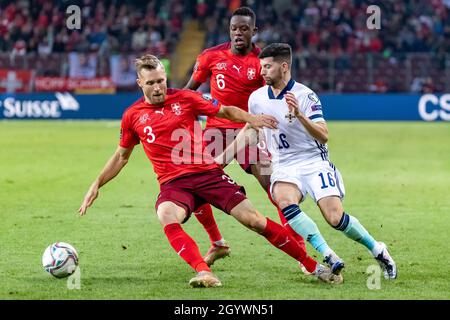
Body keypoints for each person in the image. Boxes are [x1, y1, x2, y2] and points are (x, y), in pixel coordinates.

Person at [78, 54, 341, 287]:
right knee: (166, 214)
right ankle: (203, 272)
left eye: (161, 80)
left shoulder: (186, 98)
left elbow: (225, 110)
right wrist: (96, 184)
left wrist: (252, 119)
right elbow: (121, 157)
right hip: (174, 184)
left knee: (255, 221)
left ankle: (311, 264)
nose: (158, 87)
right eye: (151, 83)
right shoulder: (132, 115)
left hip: (209, 174)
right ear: (139, 83)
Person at [218, 43, 397, 280]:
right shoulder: (256, 98)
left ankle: (377, 249)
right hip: (283, 164)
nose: (262, 71)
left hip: (314, 162)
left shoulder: (305, 95)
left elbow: (323, 135)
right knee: (283, 201)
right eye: (261, 66)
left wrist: (300, 115)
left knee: (335, 218)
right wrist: (221, 159)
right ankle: (328, 254)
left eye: (267, 66)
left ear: (284, 67)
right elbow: (251, 130)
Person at [184, 6, 311, 270]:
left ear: (254, 31)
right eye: (234, 29)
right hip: (215, 133)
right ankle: (217, 242)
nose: (238, 33)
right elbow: (189, 93)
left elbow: (276, 95)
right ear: (229, 31)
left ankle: (299, 247)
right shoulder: (210, 57)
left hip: (250, 133)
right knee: (192, 184)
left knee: (275, 188)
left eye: (244, 29)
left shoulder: (262, 62)